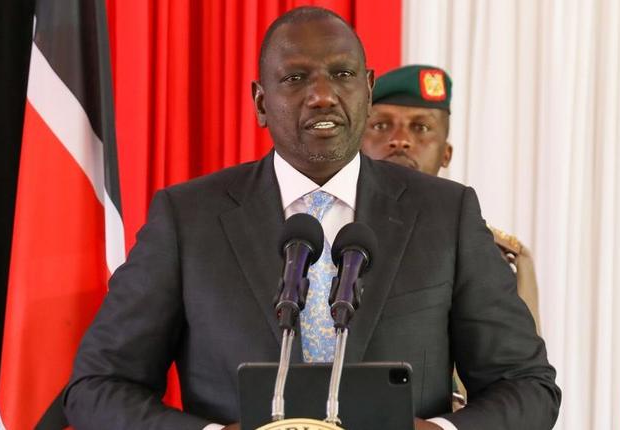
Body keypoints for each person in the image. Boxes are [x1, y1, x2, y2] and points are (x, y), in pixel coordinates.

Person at [63, 7, 560, 430]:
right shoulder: (188, 218)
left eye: (342, 75)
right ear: (261, 103)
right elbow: (96, 388)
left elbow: (527, 385)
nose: (322, 95)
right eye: (296, 78)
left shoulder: (445, 214)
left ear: (366, 90)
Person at [361, 65, 541, 331]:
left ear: (446, 154)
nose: (400, 140)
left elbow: (510, 360)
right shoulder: (325, 231)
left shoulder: (482, 251)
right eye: (381, 125)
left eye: (420, 127)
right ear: (357, 144)